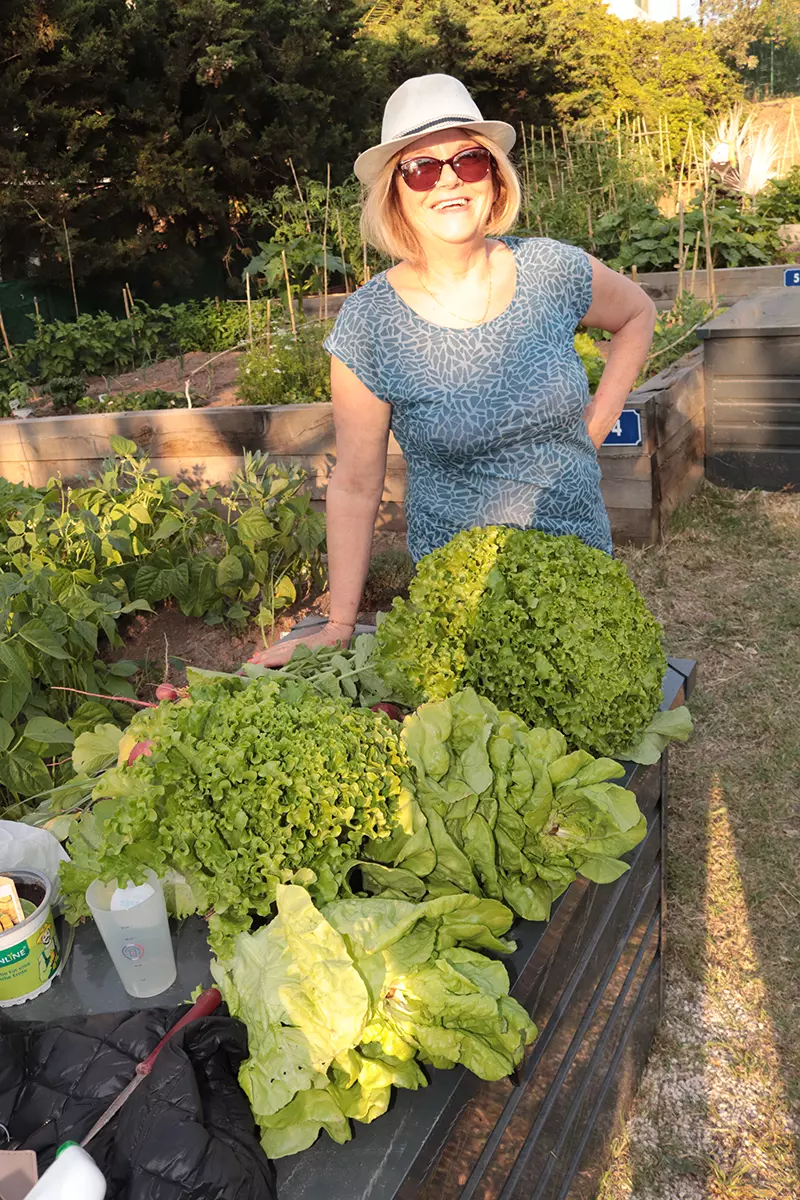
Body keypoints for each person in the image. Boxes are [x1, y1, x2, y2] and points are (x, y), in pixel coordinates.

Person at [251, 74, 656, 668]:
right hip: (461, 603)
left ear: (492, 177)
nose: (446, 180)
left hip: (580, 569)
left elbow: (638, 314)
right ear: (395, 194)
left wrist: (597, 421)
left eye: (467, 161)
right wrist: (340, 623)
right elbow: (358, 484)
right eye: (419, 169)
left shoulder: (552, 270)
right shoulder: (371, 323)